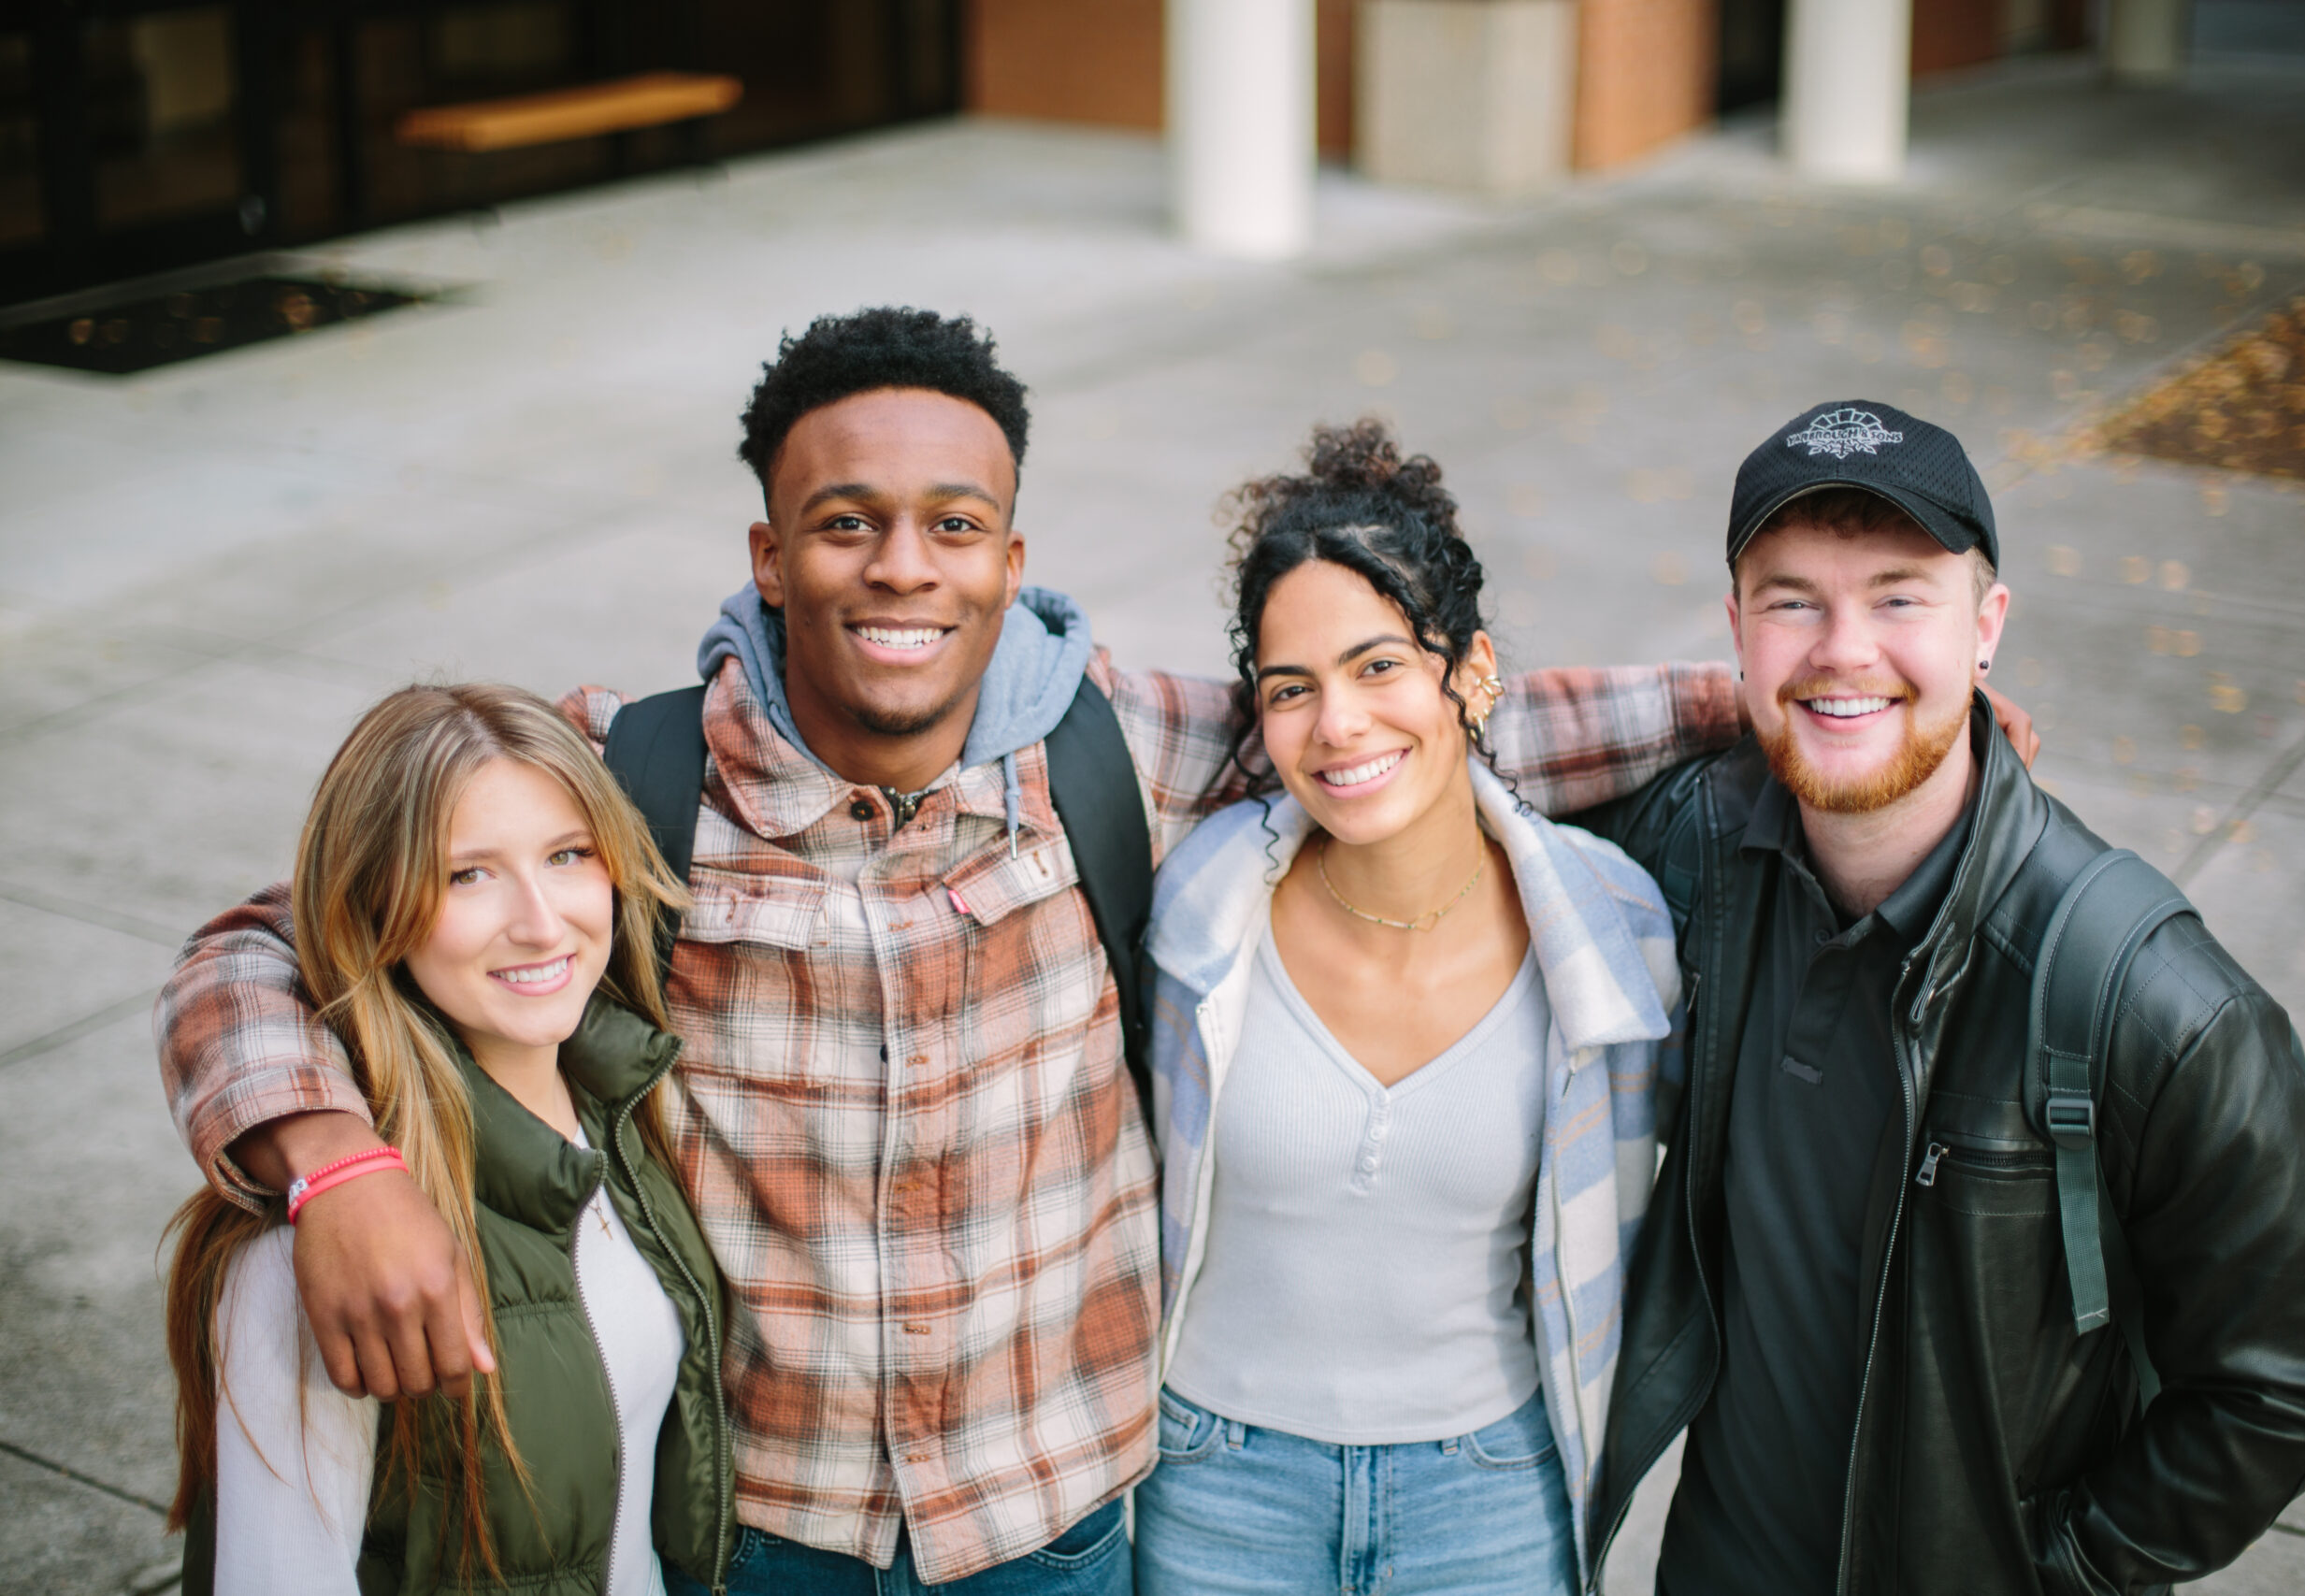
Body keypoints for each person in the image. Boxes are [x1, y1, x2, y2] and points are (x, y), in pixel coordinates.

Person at [155, 309, 1752, 1593]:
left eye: (953, 524)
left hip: (1051, 1523)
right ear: (772, 555)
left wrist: (1777, 708)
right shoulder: (628, 782)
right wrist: (332, 1166)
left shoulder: (1110, 748)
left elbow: (1400, 722)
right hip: (763, 1525)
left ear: (1008, 555)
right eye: (846, 523)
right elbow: (263, 939)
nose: (903, 564)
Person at [1569, 400, 2305, 1595]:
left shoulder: (2152, 1002)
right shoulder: (1690, 858)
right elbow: (1402, 736)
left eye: (1899, 597)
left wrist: (2058, 1570)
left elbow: (2289, 1383)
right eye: (1793, 600)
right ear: (1734, 631)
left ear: (1985, 627)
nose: (1843, 648)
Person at [1132, 422, 1682, 1596]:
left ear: (1471, 672)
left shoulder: (1608, 925)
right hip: (1216, 1481)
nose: (1337, 725)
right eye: (1293, 690)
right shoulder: (1197, 909)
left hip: (1486, 1490)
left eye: (1379, 666)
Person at [161, 683, 731, 1595]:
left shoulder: (624, 1117)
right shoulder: (321, 1250)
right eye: (468, 874)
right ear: (375, 905)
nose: (541, 922)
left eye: (568, 855)